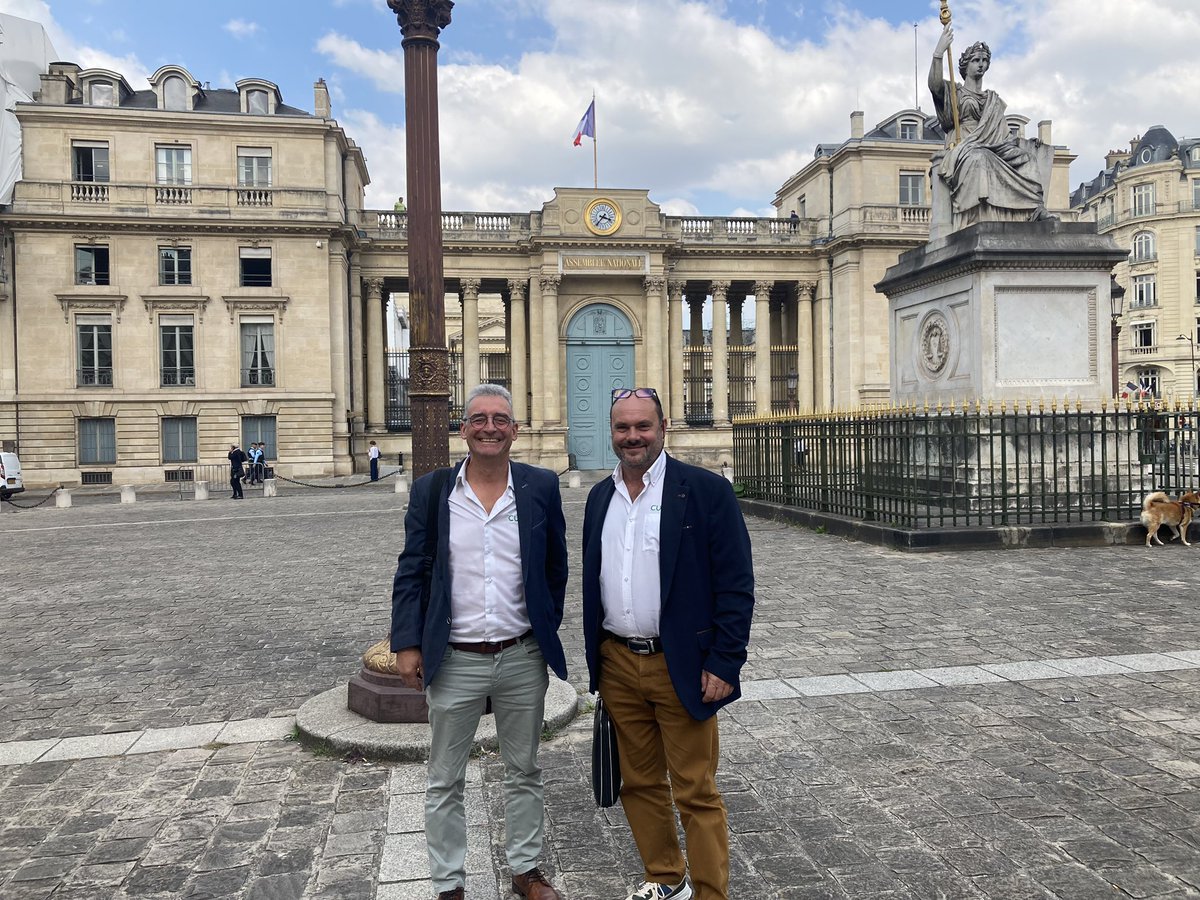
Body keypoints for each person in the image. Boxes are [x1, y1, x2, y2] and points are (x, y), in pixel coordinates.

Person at [389, 383, 568, 900]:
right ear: (462, 428)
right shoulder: (433, 491)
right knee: (445, 777)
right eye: (480, 418)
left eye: (501, 419)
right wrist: (408, 641)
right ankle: (448, 884)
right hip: (456, 657)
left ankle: (525, 871)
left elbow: (555, 565)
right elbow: (413, 569)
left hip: (521, 653)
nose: (490, 427)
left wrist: (544, 622)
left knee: (525, 768)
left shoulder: (539, 486)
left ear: (514, 429)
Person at [582, 387, 755, 900]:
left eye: (642, 426)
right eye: (622, 427)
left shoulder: (704, 491)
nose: (632, 436)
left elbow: (735, 582)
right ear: (611, 432)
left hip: (681, 662)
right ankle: (665, 876)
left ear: (664, 428)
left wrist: (725, 661)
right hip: (617, 660)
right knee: (637, 784)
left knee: (695, 790)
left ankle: (710, 894)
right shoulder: (600, 497)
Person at [928, 23, 1052, 225]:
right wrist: (938, 53)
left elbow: (1003, 136)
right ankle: (981, 213)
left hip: (995, 145)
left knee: (1027, 159)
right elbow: (934, 85)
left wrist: (1026, 142)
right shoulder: (955, 92)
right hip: (965, 146)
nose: (981, 64)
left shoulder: (992, 99)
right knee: (981, 158)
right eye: (976, 60)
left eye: (984, 60)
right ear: (965, 65)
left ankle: (1034, 209)